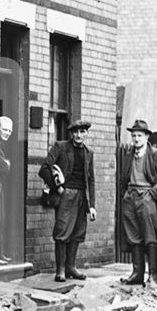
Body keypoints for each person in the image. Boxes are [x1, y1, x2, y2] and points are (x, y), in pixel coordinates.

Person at [118, 119, 157, 286]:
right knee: (133, 237)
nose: (136, 139)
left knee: (150, 237)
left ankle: (152, 276)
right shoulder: (128, 155)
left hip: (147, 199)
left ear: (147, 137)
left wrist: (152, 194)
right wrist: (125, 196)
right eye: (133, 135)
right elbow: (123, 179)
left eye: (139, 135)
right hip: (130, 198)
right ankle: (137, 274)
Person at [39, 119, 97, 282]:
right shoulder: (61, 147)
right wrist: (58, 188)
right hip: (66, 195)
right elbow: (44, 169)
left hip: (82, 197)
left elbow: (91, 180)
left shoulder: (88, 153)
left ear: (86, 133)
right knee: (62, 232)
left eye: (82, 132)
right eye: (76, 132)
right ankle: (61, 269)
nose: (79, 135)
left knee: (78, 232)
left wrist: (92, 205)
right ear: (72, 134)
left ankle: (71, 267)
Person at [0, 116, 14, 264]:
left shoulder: (2, 144)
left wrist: (6, 164)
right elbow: (3, 166)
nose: (7, 133)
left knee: (1, 218)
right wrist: (7, 164)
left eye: (10, 130)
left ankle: (0, 254)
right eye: (5, 129)